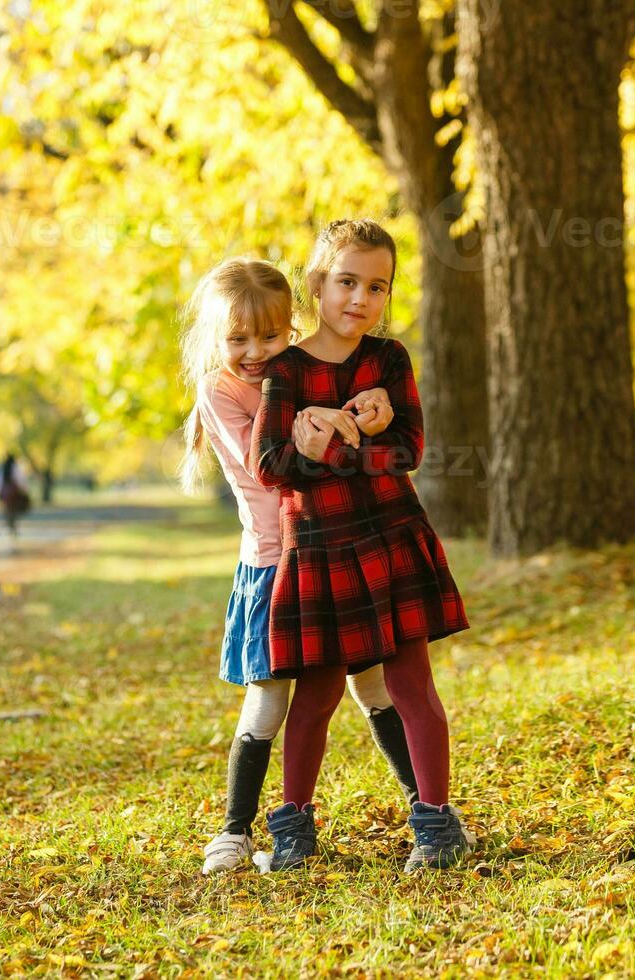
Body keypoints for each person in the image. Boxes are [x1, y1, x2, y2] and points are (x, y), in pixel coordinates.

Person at [177, 256, 421, 876]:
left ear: (293, 326)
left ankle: (427, 809)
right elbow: (271, 466)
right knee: (269, 700)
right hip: (273, 563)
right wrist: (313, 412)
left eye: (271, 336)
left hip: (333, 552)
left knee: (372, 686)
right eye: (237, 339)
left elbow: (354, 446)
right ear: (215, 340)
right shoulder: (222, 391)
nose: (256, 352)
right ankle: (235, 832)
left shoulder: (302, 372)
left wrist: (360, 410)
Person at [251, 219, 472, 872]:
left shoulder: (389, 360)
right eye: (347, 282)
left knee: (412, 686)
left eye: (377, 287)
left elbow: (408, 451)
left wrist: (349, 441)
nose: (360, 299)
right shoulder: (285, 369)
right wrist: (315, 448)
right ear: (318, 284)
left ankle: (435, 825)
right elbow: (270, 464)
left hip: (389, 538)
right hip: (318, 549)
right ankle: (294, 827)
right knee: (315, 696)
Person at [0, 453, 32, 541]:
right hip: (14, 494)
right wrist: (24, 490)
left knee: (7, 511)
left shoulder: (0, 468)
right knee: (12, 512)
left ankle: (10, 527)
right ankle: (12, 527)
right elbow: (21, 480)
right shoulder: (15, 468)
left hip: (4, 494)